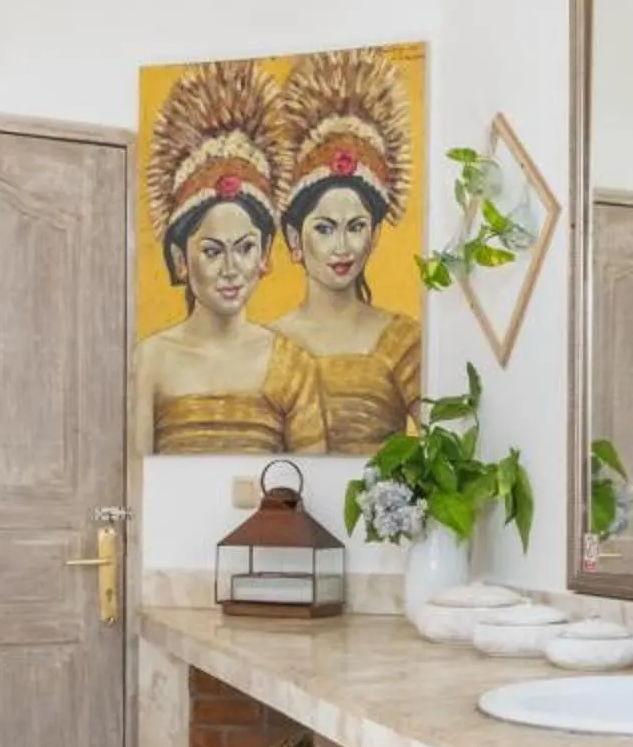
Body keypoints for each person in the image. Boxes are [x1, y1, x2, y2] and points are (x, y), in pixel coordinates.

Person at [136, 60, 328, 455]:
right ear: (180, 258)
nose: (230, 270)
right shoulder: (151, 359)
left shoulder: (293, 364)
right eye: (211, 251)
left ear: (264, 255)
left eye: (244, 248)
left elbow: (312, 485)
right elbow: (128, 480)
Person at [265, 46, 423, 453]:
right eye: (324, 228)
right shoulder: (267, 342)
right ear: (295, 240)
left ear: (374, 236)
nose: (342, 246)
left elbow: (445, 449)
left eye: (355, 227)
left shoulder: (403, 340)